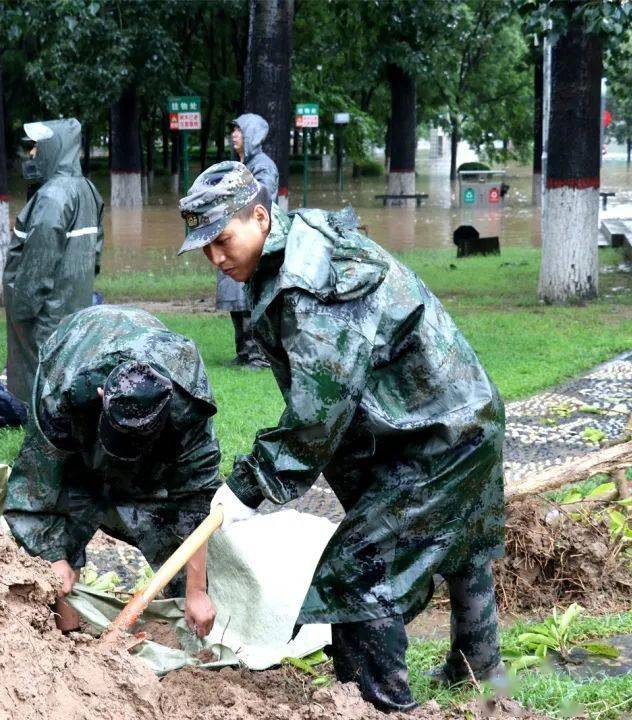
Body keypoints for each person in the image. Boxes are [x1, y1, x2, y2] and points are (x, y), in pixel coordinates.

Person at [181, 162, 506, 711]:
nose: (215, 258)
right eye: (204, 247)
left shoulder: (310, 279)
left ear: (260, 216)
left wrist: (245, 486)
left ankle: (379, 705)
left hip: (440, 435)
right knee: (462, 542)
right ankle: (480, 670)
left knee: (356, 575)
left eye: (222, 239)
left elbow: (317, 414)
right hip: (440, 418)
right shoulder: (283, 250)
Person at [2, 305, 221, 637]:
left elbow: (197, 500)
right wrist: (53, 557)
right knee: (69, 506)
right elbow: (35, 487)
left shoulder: (186, 405)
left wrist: (196, 590)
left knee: (171, 532)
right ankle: (66, 632)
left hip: (145, 354)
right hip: (75, 349)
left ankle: (185, 620)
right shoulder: (61, 392)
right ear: (103, 397)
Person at [3, 119, 104, 402]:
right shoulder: (87, 189)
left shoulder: (53, 196)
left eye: (37, 146)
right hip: (73, 304)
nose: (32, 153)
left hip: (46, 312)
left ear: (53, 148)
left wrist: (21, 308)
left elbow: (38, 263)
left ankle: (45, 432)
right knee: (68, 369)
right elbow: (96, 253)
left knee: (44, 378)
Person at [219, 114, 278, 368]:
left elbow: (262, 198)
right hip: (234, 237)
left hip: (253, 241)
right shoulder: (237, 164)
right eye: (232, 130)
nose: (234, 135)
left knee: (251, 295)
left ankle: (259, 353)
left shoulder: (263, 164)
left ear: (251, 135)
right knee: (235, 294)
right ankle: (244, 350)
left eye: (239, 131)